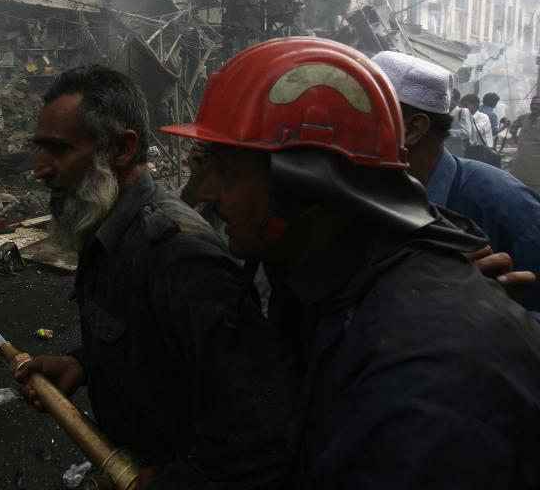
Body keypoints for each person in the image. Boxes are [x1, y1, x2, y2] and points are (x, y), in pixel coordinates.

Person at [162, 38, 540, 488]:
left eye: (224, 168)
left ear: (305, 188)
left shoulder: (421, 374)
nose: (203, 193)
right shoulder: (311, 275)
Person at [16, 65, 295, 489]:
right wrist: (82, 362)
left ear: (121, 149)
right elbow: (151, 340)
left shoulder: (178, 255)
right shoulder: (108, 227)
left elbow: (257, 431)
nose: (41, 169)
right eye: (41, 149)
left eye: (57, 149)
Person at [371, 51, 540, 309]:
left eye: (364, 116)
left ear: (412, 129)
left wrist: (506, 318)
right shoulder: (368, 196)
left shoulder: (506, 204)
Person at [511, 96, 540, 194]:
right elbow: (513, 126)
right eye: (533, 104)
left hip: (536, 166)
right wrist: (515, 137)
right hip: (521, 163)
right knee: (518, 190)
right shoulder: (524, 118)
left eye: (538, 105)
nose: (534, 106)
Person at [446, 87, 471, 155]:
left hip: (457, 152)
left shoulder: (462, 112)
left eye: (450, 99)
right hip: (443, 151)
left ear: (457, 101)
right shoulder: (442, 112)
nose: (447, 101)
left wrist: (446, 133)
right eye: (446, 99)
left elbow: (466, 133)